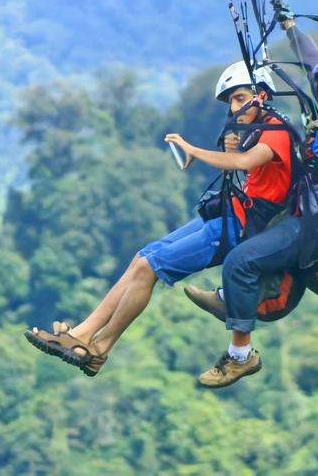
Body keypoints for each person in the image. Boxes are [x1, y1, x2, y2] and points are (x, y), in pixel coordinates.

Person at [24, 62, 294, 377]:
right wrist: (233, 148)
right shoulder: (259, 130)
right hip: (228, 213)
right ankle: (82, 335)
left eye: (239, 98)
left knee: (151, 268)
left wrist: (196, 150)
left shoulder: (277, 132)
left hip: (238, 228)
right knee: (143, 258)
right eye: (231, 101)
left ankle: (99, 349)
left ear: (261, 96)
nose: (234, 107)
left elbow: (246, 161)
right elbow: (243, 169)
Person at [187, 18, 318, 389]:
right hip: (306, 210)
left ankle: (239, 357)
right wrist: (292, 28)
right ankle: (237, 296)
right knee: (258, 240)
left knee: (241, 259)